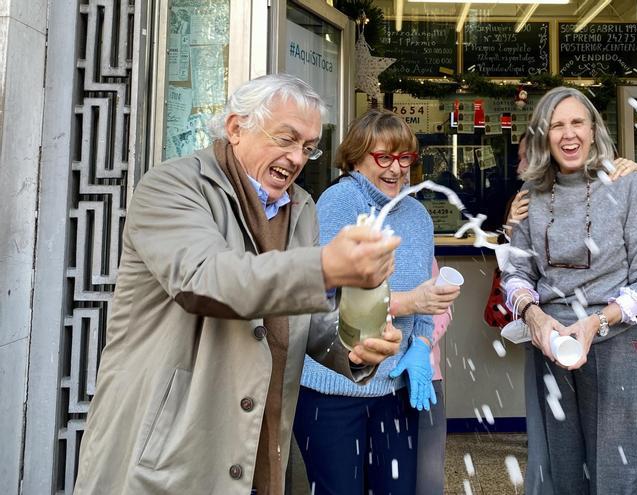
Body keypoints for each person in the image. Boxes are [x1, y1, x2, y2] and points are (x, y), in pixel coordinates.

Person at [73, 74, 403, 495]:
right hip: (167, 453)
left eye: (307, 147)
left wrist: (356, 347)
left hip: (258, 450)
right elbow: (208, 280)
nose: (297, 157)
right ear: (235, 128)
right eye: (286, 138)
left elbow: (303, 320)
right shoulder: (172, 185)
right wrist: (325, 267)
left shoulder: (301, 208)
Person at [503, 86, 637, 495]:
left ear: (594, 130)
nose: (568, 134)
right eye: (557, 125)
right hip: (552, 345)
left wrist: (597, 320)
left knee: (619, 469)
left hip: (619, 341)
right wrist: (534, 316)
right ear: (544, 135)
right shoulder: (531, 196)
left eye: (577, 122)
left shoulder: (627, 185)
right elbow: (516, 274)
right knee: (562, 470)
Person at [294, 109, 459, 494]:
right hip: (333, 389)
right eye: (383, 157)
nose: (395, 169)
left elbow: (425, 297)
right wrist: (409, 302)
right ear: (355, 157)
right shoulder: (338, 202)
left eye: (404, 158)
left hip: (394, 389)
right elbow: (326, 297)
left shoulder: (418, 215)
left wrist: (420, 344)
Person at [415, 258, 456, 494]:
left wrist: (422, 343)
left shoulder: (419, 234)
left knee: (427, 479)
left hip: (426, 379)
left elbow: (443, 309)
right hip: (371, 381)